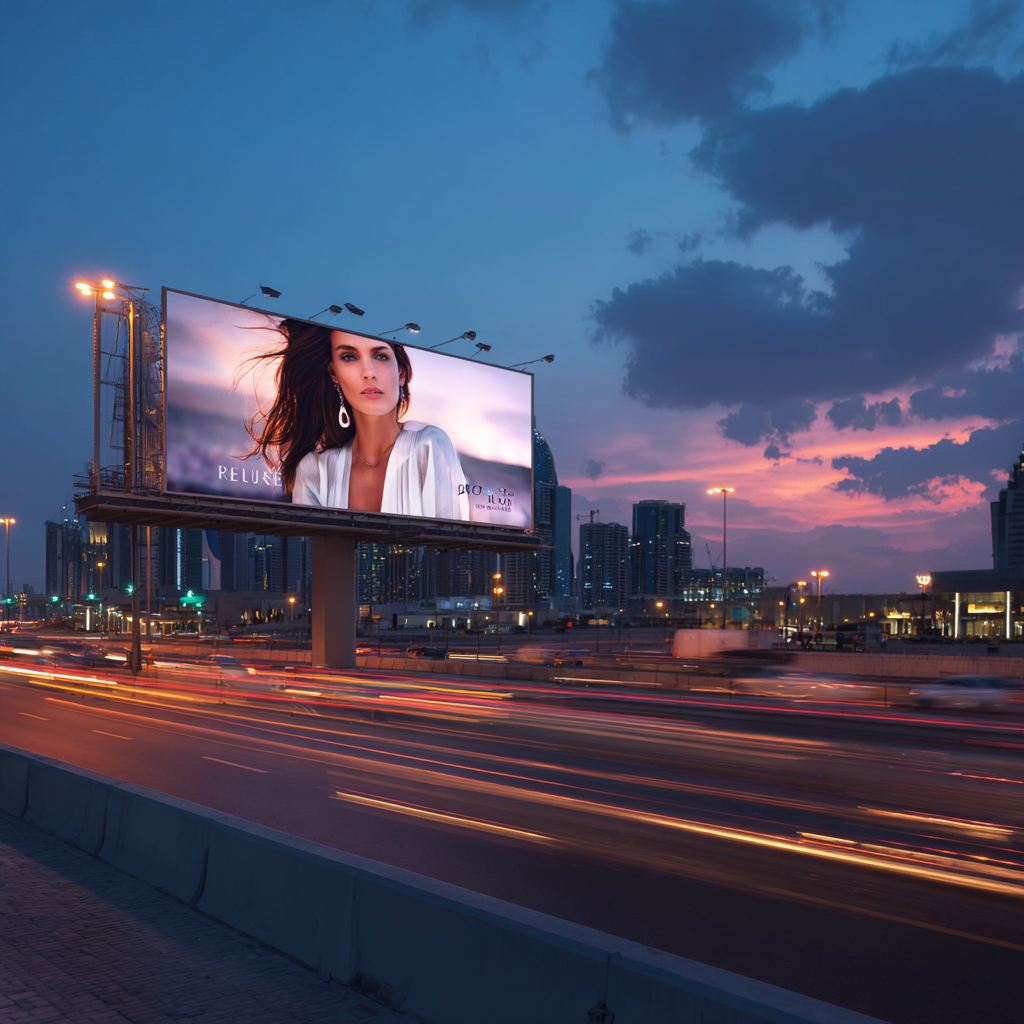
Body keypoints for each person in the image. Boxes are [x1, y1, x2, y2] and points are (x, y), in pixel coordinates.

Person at [244, 318, 469, 519]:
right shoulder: (315, 470)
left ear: (401, 373)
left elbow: (455, 547)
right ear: (334, 374)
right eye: (349, 357)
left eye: (380, 356)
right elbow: (313, 557)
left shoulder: (430, 445)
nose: (368, 372)